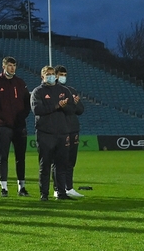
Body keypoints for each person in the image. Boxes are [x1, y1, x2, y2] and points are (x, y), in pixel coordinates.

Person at [0, 56, 31, 197]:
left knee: (20, 157)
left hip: (19, 125)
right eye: (10, 65)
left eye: (14, 65)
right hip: (3, 125)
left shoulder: (20, 83)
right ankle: (4, 188)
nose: (12, 68)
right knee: (3, 157)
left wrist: (20, 118)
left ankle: (21, 187)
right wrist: (5, 118)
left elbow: (27, 104)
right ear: (3, 66)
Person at [30, 66, 76, 201]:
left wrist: (65, 106)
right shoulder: (38, 92)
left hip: (62, 133)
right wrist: (56, 106)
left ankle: (61, 193)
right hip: (45, 133)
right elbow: (37, 109)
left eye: (52, 74)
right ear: (42, 77)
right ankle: (44, 194)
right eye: (47, 74)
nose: (50, 76)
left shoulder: (64, 90)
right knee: (45, 165)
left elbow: (72, 109)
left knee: (61, 165)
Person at [54, 65, 85, 199]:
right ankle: (57, 188)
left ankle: (69, 187)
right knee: (59, 161)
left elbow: (80, 110)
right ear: (55, 75)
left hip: (73, 129)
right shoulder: (53, 91)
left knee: (71, 161)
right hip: (61, 130)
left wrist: (75, 103)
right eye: (61, 74)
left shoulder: (71, 90)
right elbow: (61, 109)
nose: (63, 77)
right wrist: (70, 106)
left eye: (65, 75)